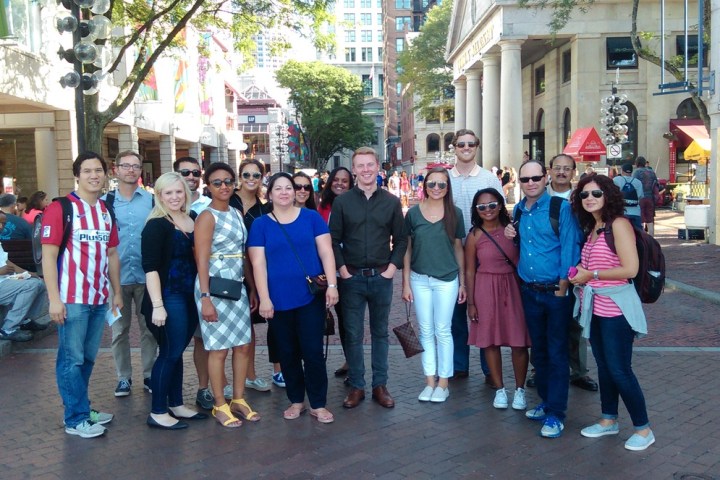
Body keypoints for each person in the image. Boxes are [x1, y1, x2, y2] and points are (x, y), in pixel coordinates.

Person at [569, 174, 655, 451]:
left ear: (608, 195)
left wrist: (590, 274)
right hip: (595, 308)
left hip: (617, 309)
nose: (590, 199)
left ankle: (643, 429)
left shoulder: (618, 224)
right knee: (605, 368)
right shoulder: (593, 228)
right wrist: (581, 278)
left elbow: (630, 269)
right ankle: (609, 420)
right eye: (584, 195)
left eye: (596, 193)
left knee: (620, 370)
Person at [41, 151, 121, 439]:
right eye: (87, 171)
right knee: (70, 359)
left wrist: (116, 292)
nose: (94, 175)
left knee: (87, 358)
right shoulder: (61, 208)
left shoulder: (105, 210)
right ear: (77, 175)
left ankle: (82, 409)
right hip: (71, 298)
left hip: (99, 298)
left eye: (98, 170)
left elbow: (112, 254)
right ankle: (75, 419)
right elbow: (48, 256)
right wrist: (54, 299)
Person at [248, 172, 339, 423]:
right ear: (270, 193)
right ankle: (296, 400)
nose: (285, 192)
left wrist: (332, 285)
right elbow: (258, 263)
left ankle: (318, 403)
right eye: (279, 188)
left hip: (309, 297)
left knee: (312, 351)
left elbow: (326, 252)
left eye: (289, 187)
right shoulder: (260, 224)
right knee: (287, 353)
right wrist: (264, 299)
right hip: (277, 300)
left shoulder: (311, 218)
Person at [504, 160, 582, 439]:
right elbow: (524, 247)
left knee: (557, 352)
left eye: (536, 177)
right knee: (540, 352)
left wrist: (563, 287)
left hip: (555, 292)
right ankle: (547, 402)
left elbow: (570, 249)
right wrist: (509, 234)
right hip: (530, 291)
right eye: (525, 179)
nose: (531, 183)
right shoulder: (518, 211)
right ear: (520, 182)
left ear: (545, 177)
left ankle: (556, 414)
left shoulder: (560, 208)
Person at [330, 146, 408, 409]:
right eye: (360, 165)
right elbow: (333, 241)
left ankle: (379, 385)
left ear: (377, 167)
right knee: (352, 334)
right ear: (354, 170)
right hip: (351, 278)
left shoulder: (391, 202)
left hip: (380, 277)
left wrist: (392, 268)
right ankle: (357, 386)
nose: (365, 170)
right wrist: (341, 270)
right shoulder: (342, 203)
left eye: (369, 165)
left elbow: (401, 240)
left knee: (380, 333)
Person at [195, 163, 260, 428]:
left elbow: (242, 253)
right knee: (219, 349)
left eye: (228, 181)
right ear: (208, 186)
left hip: (236, 287)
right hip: (214, 288)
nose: (224, 186)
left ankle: (239, 398)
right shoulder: (206, 216)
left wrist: (252, 287)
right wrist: (205, 296)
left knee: (243, 345)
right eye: (217, 182)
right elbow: (200, 259)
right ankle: (220, 403)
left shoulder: (235, 212)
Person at [141, 172, 207, 430]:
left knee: (177, 351)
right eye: (168, 192)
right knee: (169, 353)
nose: (175, 197)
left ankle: (176, 403)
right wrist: (158, 305)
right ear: (159, 195)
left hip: (190, 296)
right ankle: (158, 411)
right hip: (169, 297)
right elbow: (151, 268)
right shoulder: (156, 225)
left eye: (179, 192)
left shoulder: (191, 218)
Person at [401, 168, 466, 403]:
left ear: (448, 188)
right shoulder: (413, 214)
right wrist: (405, 282)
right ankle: (430, 381)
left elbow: (459, 247)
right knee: (426, 331)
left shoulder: (455, 214)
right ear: (424, 185)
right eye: (432, 184)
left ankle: (444, 383)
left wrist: (463, 282)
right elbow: (407, 249)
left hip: (447, 278)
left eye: (442, 184)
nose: (436, 188)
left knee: (443, 330)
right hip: (419, 278)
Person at [465, 188, 530, 410]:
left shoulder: (513, 229)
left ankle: (520, 390)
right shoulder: (475, 235)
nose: (487, 210)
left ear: (501, 205)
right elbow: (470, 270)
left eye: (492, 204)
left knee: (519, 341)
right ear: (476, 210)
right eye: (481, 207)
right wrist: (472, 303)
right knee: (490, 341)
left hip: (512, 286)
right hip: (485, 287)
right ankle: (500, 389)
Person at [448, 129, 503, 381]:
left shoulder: (490, 179)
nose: (466, 147)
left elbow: (501, 214)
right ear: (454, 147)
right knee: (456, 312)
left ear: (477, 146)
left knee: (484, 311)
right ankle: (459, 365)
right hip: (451, 251)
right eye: (461, 144)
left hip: (484, 251)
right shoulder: (444, 179)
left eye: (471, 144)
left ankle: (489, 369)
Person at [543, 154, 598, 393]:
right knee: (544, 324)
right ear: (550, 170)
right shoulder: (537, 195)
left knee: (577, 322)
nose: (562, 172)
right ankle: (540, 368)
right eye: (558, 168)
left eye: (567, 168)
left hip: (577, 269)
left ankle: (578, 371)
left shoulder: (583, 197)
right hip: (546, 271)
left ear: (574, 172)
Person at [104, 151, 157, 397]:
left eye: (136, 166)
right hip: (116, 279)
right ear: (116, 170)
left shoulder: (151, 200)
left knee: (149, 329)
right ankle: (123, 377)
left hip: (146, 277)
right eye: (125, 166)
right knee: (119, 331)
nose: (131, 170)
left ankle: (149, 374)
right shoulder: (105, 202)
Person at [173, 157, 216, 410]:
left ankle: (203, 388)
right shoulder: (165, 207)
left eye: (195, 172)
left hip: (205, 282)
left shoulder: (210, 206)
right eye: (184, 172)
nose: (191, 176)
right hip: (177, 285)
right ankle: (171, 394)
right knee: (174, 341)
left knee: (203, 339)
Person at [229, 159, 276, 392]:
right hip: (225, 271)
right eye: (246, 174)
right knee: (222, 326)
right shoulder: (226, 200)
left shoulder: (264, 209)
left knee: (248, 326)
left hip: (253, 272)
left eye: (256, 175)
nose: (250, 179)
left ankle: (250, 375)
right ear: (239, 176)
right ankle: (222, 382)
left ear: (262, 177)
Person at [316, 166, 354, 378]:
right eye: (336, 180)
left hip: (347, 271)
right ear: (330, 183)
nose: (340, 183)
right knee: (329, 318)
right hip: (324, 272)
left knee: (348, 320)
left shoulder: (354, 205)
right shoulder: (322, 207)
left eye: (345, 180)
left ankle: (352, 363)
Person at [0, 211, 48, 342]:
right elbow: (4, 267)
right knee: (30, 286)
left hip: (5, 281)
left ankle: (25, 319)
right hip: (2, 282)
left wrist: (26, 273)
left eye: (4, 223)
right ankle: (8, 328)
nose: (1, 227)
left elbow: (7, 262)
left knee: (38, 282)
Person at [633, 156, 660, 235]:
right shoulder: (651, 172)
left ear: (637, 163)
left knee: (640, 219)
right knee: (650, 220)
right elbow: (657, 185)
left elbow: (634, 184)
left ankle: (642, 238)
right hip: (650, 198)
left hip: (640, 198)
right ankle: (651, 239)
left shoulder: (636, 172)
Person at [613, 163, 643, 230]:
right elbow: (640, 196)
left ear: (622, 171)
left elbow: (612, 194)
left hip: (621, 212)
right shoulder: (638, 182)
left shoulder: (616, 180)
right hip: (636, 212)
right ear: (632, 171)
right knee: (639, 234)